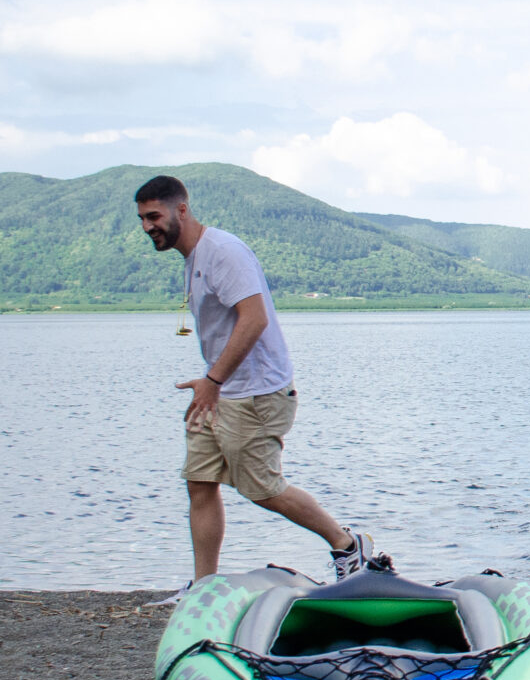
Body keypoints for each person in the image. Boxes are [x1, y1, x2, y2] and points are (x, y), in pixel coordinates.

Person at [135, 175, 382, 589]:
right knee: (200, 482)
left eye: (154, 216)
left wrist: (212, 380)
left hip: (254, 392)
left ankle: (346, 544)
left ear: (182, 209)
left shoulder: (222, 252)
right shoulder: (194, 257)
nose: (148, 227)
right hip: (219, 390)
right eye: (142, 218)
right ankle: (202, 588)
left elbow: (255, 319)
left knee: (262, 489)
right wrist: (211, 384)